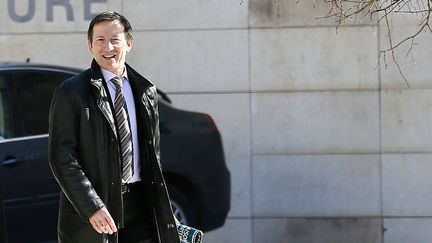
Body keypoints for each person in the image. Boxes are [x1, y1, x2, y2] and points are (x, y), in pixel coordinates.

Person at [48, 11, 179, 243]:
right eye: (99, 40)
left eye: (114, 39)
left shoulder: (146, 92)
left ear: (128, 43)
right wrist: (92, 207)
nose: (107, 47)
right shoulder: (71, 92)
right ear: (90, 46)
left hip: (141, 209)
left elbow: (153, 159)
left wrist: (163, 209)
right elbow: (62, 157)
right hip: (97, 211)